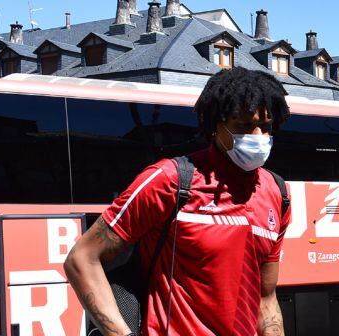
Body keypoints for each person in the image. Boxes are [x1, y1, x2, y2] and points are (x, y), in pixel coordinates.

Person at [64, 67, 291, 336]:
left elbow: (266, 299)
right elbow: (81, 258)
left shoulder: (277, 193)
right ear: (214, 126)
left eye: (265, 127)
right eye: (242, 126)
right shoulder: (169, 180)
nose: (257, 138)